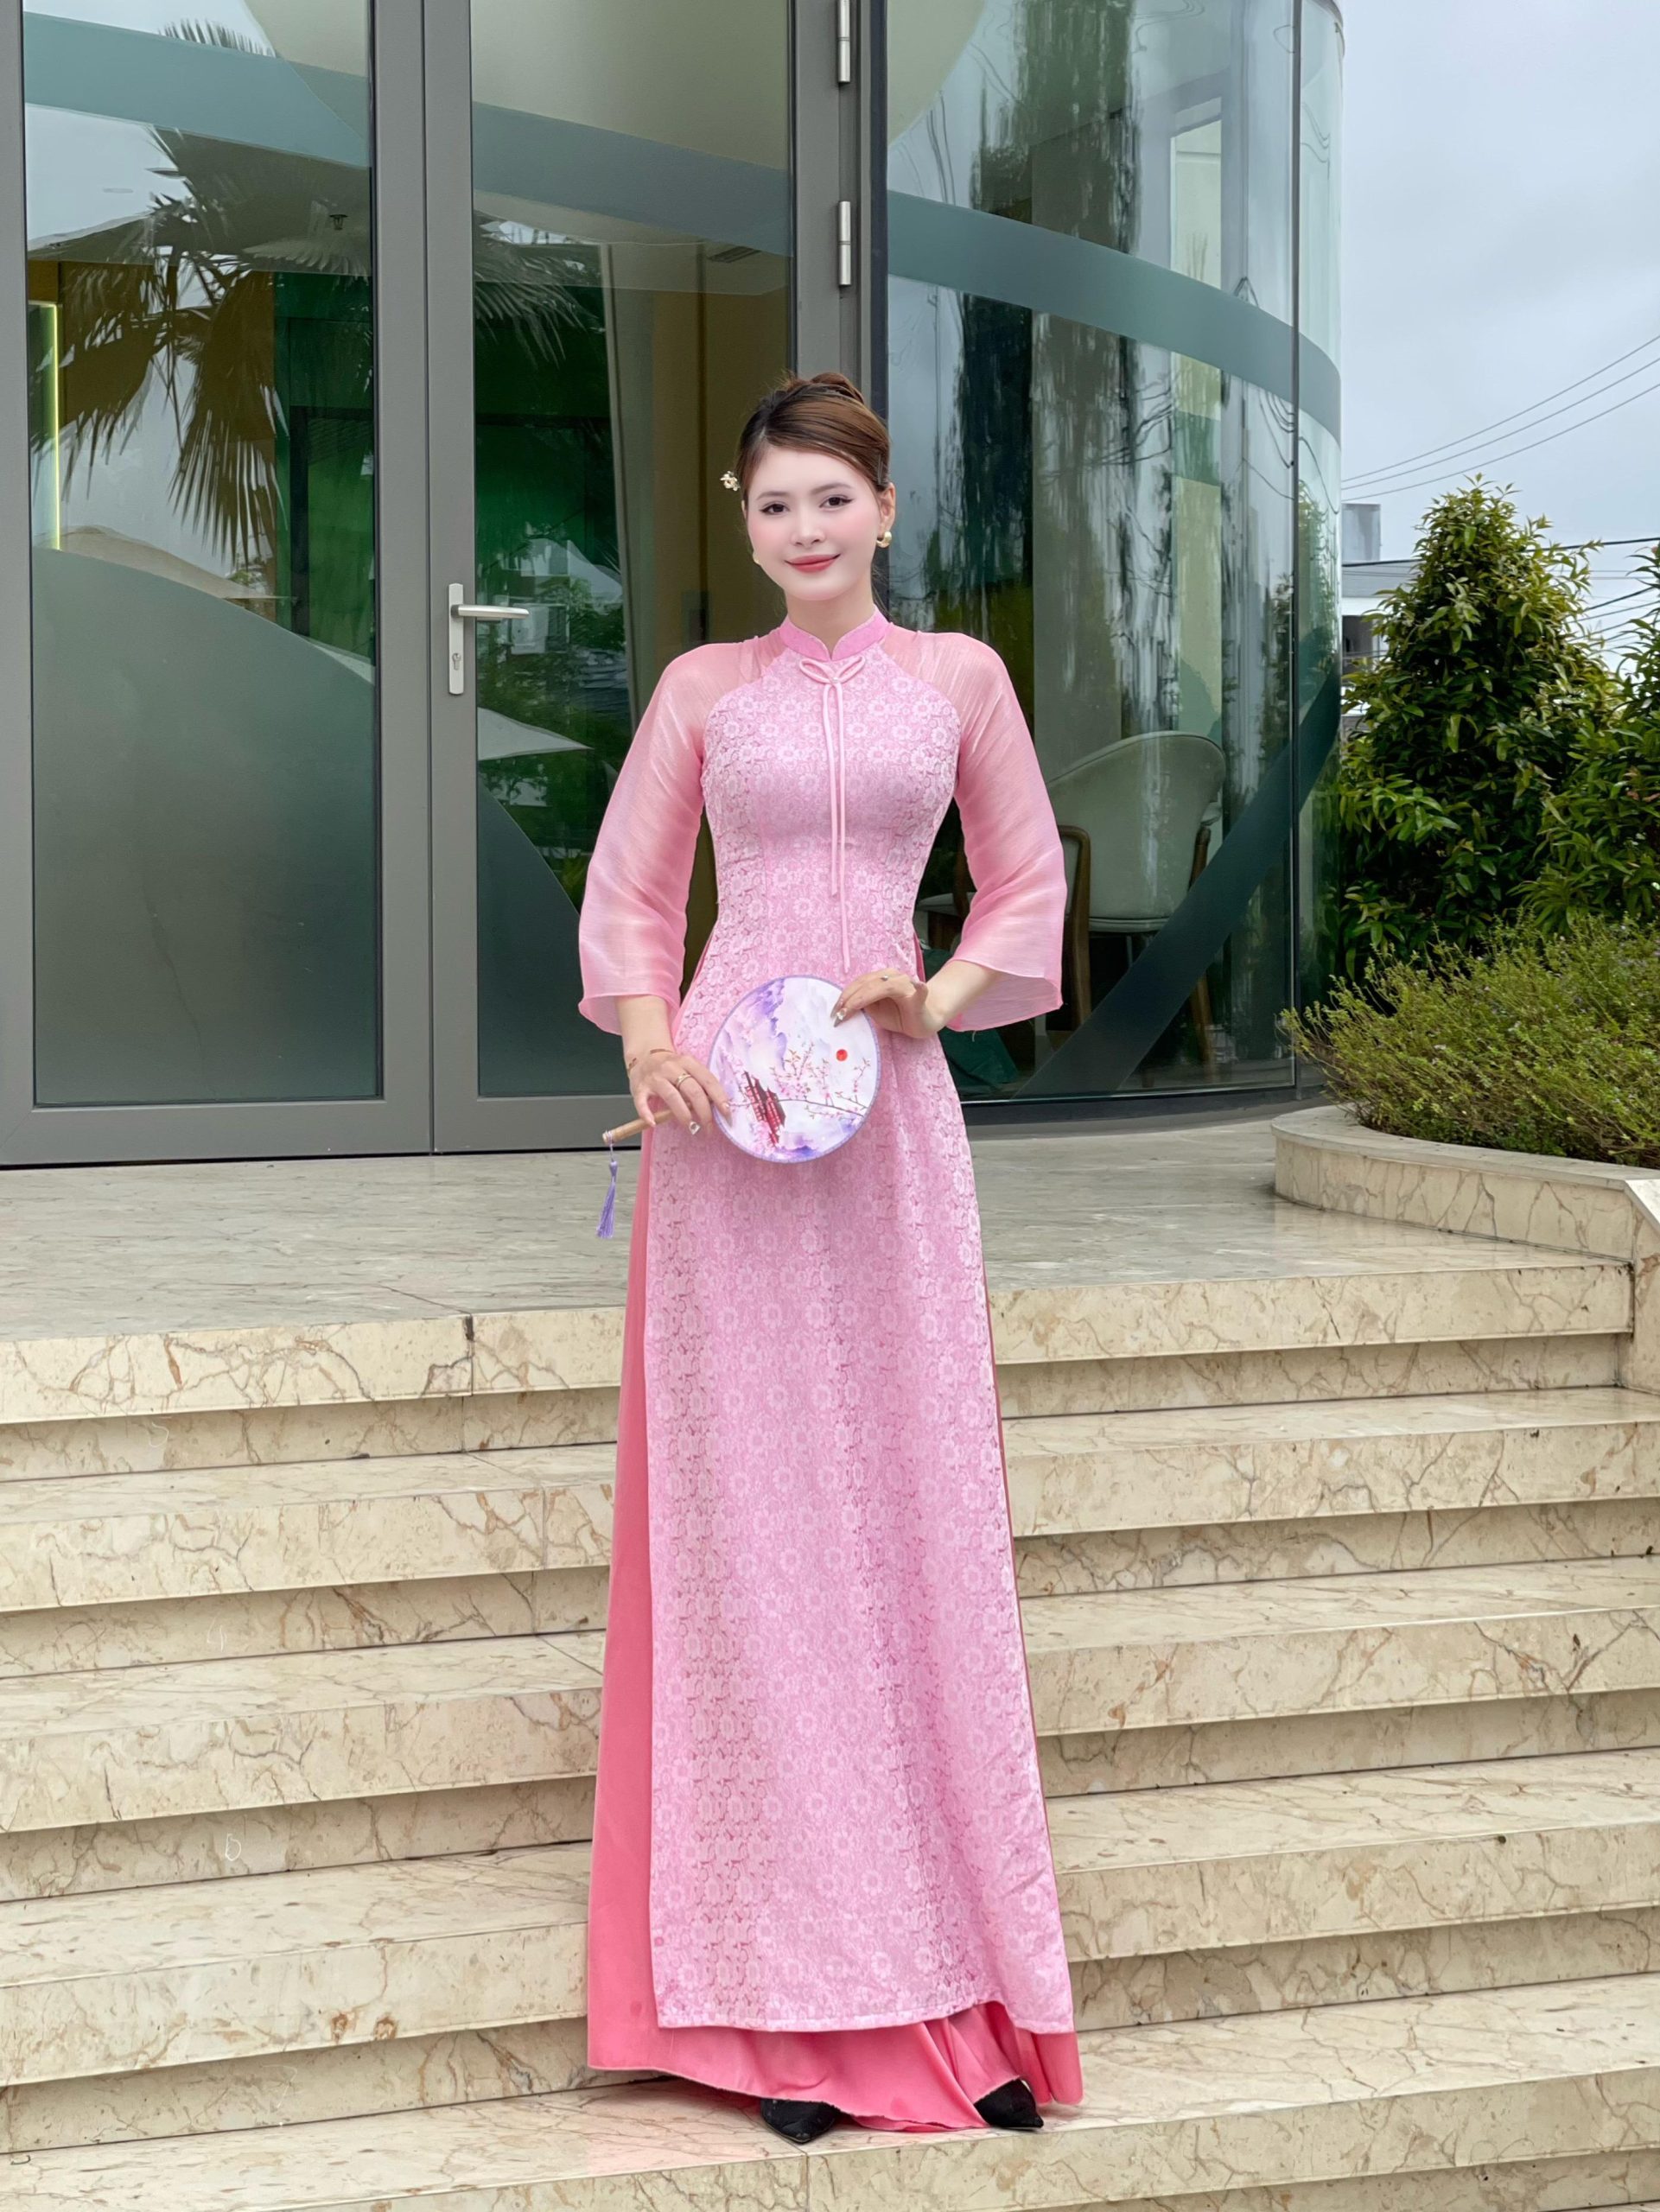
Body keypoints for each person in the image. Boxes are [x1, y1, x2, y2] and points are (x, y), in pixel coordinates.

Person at [576, 369, 1084, 2143]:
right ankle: (774, 2008)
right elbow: (634, 899)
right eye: (773, 503)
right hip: (727, 1122)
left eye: (831, 498)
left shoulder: (959, 682)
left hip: (889, 1122)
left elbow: (1025, 883)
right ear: (744, 519)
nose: (803, 528)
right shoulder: (702, 693)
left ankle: (948, 1979)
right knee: (755, 1542)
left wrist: (938, 992)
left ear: (885, 508)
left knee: (909, 1514)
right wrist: (651, 1043)